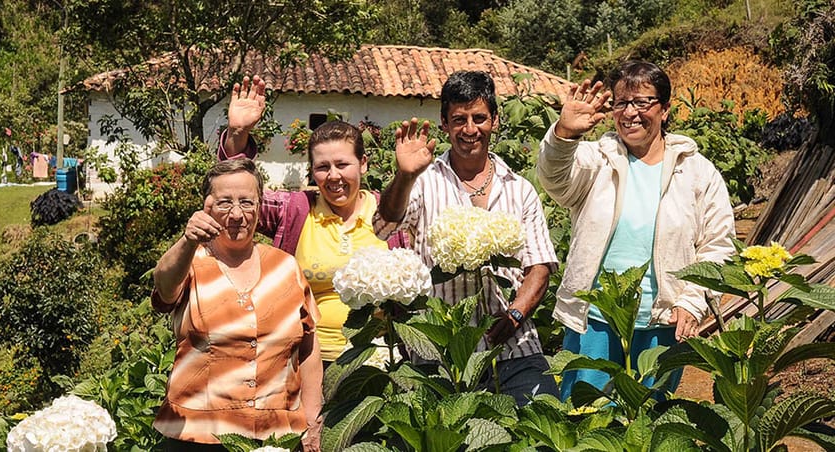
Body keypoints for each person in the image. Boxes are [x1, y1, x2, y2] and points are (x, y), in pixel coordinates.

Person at [535, 60, 735, 400]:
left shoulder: (697, 171)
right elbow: (553, 178)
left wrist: (692, 301)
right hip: (594, 318)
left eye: (642, 102)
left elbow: (719, 245)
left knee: (647, 421)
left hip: (661, 320)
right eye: (621, 103)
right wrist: (563, 135)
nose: (630, 113)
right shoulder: (596, 159)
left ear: (665, 109)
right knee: (584, 418)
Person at [374, 70, 560, 406]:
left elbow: (540, 268)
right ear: (444, 123)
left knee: (544, 421)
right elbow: (385, 226)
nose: (470, 129)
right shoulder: (424, 183)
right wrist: (404, 177)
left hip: (514, 349)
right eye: (459, 119)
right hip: (441, 354)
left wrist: (514, 315)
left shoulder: (520, 189)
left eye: (479, 118)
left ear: (495, 121)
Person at [220, 76, 407, 366]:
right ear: (311, 171)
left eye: (342, 164)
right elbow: (239, 196)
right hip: (305, 362)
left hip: (380, 362)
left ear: (364, 163)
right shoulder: (296, 210)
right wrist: (237, 134)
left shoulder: (390, 213)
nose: (333, 176)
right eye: (322, 167)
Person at [150, 158, 323, 451]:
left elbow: (308, 348)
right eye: (224, 202)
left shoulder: (285, 267)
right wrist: (187, 240)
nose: (236, 214)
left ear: (259, 205)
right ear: (207, 206)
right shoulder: (190, 262)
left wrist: (312, 420)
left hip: (278, 435)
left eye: (246, 202)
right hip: (197, 437)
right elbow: (164, 287)